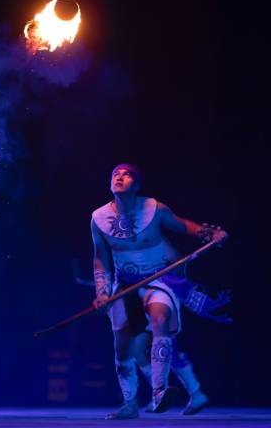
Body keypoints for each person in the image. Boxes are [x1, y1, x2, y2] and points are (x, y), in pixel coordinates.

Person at [91, 163, 227, 420]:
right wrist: (102, 292)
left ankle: (159, 391)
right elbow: (101, 258)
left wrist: (211, 233)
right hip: (125, 286)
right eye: (116, 174)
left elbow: (182, 225)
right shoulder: (98, 218)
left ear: (137, 185)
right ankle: (129, 404)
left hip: (159, 280)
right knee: (123, 345)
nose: (119, 177)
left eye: (127, 174)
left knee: (160, 318)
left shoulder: (154, 209)